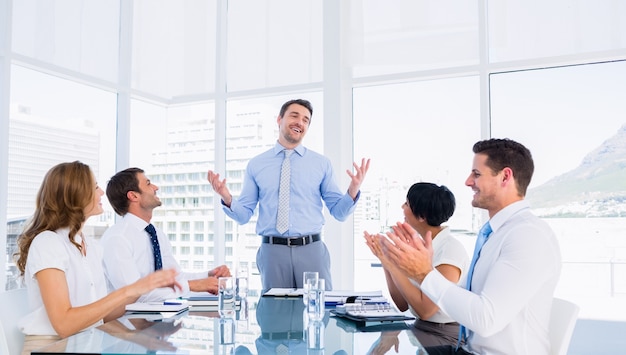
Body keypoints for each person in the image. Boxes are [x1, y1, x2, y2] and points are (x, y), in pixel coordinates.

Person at [378, 138, 561, 355]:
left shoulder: (527, 235)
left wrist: (424, 273)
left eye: (476, 174)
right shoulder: (495, 234)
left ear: (505, 176)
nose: (467, 181)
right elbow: (461, 303)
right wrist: (398, 263)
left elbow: (486, 319)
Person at [15, 161, 181, 354]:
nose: (101, 192)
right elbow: (64, 324)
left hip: (83, 344)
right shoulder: (48, 243)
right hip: (50, 347)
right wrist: (130, 290)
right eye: (94, 187)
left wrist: (147, 290)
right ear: (75, 195)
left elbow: (98, 313)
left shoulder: (91, 246)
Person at [207, 99, 370, 291]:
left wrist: (353, 189)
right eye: (294, 116)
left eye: (306, 120)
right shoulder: (256, 164)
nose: (300, 122)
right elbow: (243, 216)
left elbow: (339, 213)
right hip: (272, 252)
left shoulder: (321, 164)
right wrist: (227, 197)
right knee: (276, 315)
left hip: (312, 251)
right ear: (279, 119)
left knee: (318, 311)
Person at [101, 167, 231, 302]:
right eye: (148, 183)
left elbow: (175, 278)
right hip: (129, 320)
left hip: (159, 317)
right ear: (134, 196)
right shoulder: (117, 238)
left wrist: (209, 276)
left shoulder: (155, 233)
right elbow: (133, 294)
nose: (155, 187)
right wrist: (193, 285)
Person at [364, 182, 469, 347]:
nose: (402, 207)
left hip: (445, 336)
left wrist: (390, 262)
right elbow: (402, 303)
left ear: (422, 215)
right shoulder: (420, 247)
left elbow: (425, 310)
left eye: (406, 203)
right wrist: (386, 258)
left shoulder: (449, 252)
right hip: (421, 328)